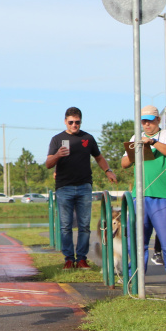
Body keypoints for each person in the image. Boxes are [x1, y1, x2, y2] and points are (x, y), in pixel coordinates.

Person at [121, 105, 166, 287]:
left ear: (158, 120)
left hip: (163, 196)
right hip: (139, 196)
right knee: (136, 239)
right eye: (143, 121)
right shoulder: (136, 136)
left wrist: (152, 143)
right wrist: (134, 148)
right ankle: (134, 273)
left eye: (150, 121)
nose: (146, 124)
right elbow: (124, 163)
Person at [45, 107, 117, 269]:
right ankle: (69, 259)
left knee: (84, 225)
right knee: (65, 225)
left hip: (84, 187)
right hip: (64, 188)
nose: (74, 125)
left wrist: (108, 171)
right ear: (65, 121)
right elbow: (48, 164)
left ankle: (82, 258)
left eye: (77, 122)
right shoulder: (57, 139)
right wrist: (58, 155)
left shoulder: (88, 138)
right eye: (71, 122)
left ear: (80, 122)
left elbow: (98, 157)